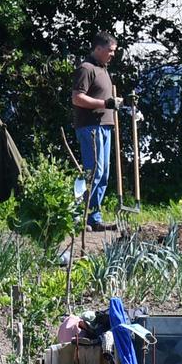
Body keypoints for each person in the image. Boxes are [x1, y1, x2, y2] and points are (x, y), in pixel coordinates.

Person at [70, 31, 121, 233]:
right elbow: (77, 98)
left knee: (104, 174)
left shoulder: (103, 69)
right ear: (98, 48)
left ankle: (94, 217)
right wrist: (105, 103)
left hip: (105, 126)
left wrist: (115, 104)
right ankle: (79, 216)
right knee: (93, 173)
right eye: (110, 50)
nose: (112, 54)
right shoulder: (86, 68)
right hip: (91, 127)